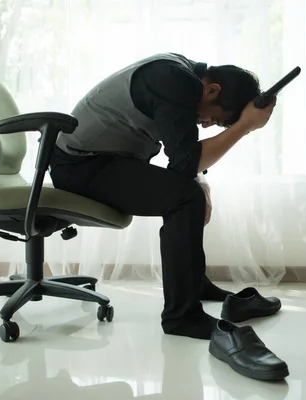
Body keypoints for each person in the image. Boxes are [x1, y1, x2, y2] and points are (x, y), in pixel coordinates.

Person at [49, 53, 276, 340]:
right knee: (185, 198)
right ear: (212, 90)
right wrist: (243, 126)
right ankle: (181, 317)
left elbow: (184, 160)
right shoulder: (173, 80)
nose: (205, 125)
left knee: (189, 192)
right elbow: (186, 161)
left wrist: (200, 180)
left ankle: (195, 287)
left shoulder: (183, 76)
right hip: (78, 167)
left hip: (101, 161)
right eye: (214, 118)